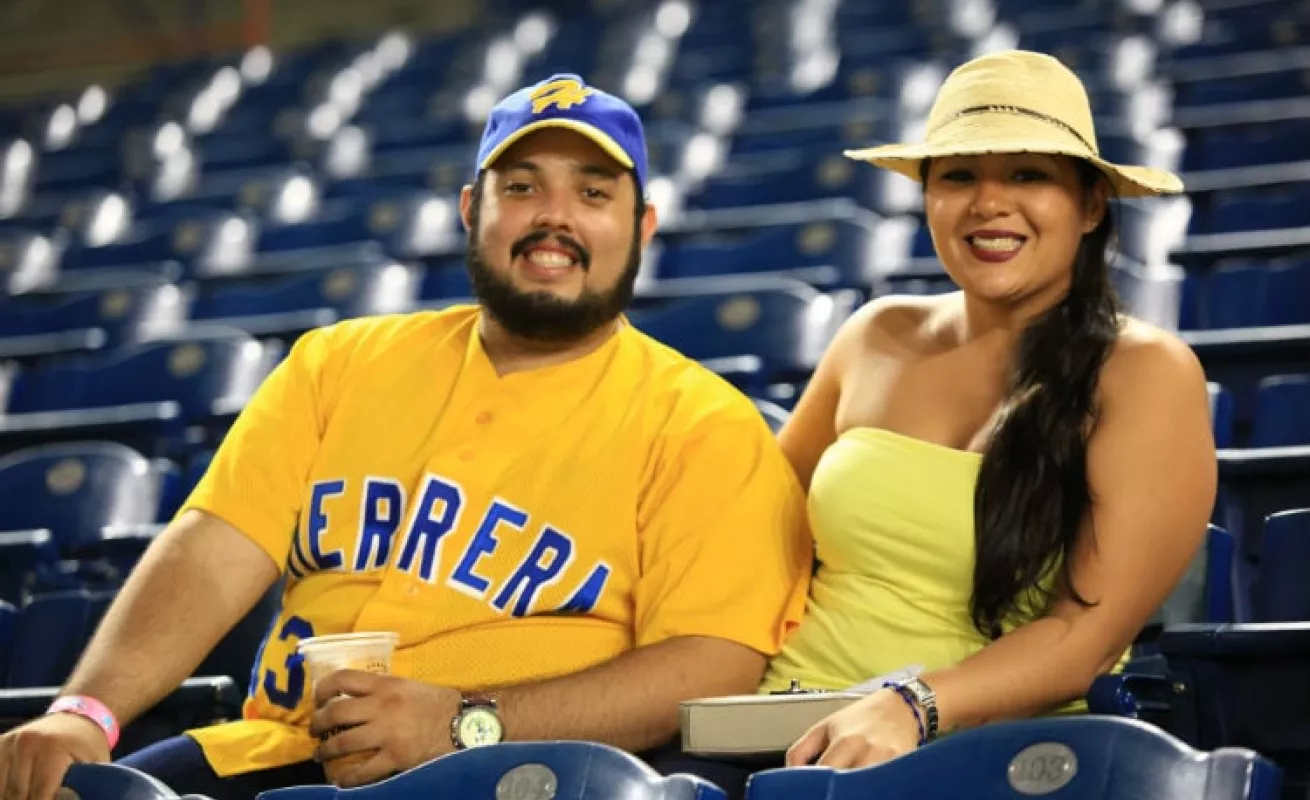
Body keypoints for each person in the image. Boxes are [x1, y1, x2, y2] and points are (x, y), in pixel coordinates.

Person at [0, 73, 813, 800]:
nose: (555, 218)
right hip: (276, 751)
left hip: (519, 773)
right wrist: (84, 714)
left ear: (643, 226)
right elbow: (214, 547)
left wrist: (465, 723)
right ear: (472, 211)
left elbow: (710, 665)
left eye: (594, 194)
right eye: (522, 188)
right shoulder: (339, 363)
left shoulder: (704, 423)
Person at [759, 49, 1215, 770]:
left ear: (1091, 205)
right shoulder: (874, 333)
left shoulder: (1146, 373)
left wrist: (913, 704)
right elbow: (756, 542)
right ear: (928, 198)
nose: (988, 203)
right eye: (959, 177)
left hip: (982, 756)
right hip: (770, 731)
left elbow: (1082, 640)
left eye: (1028, 175)